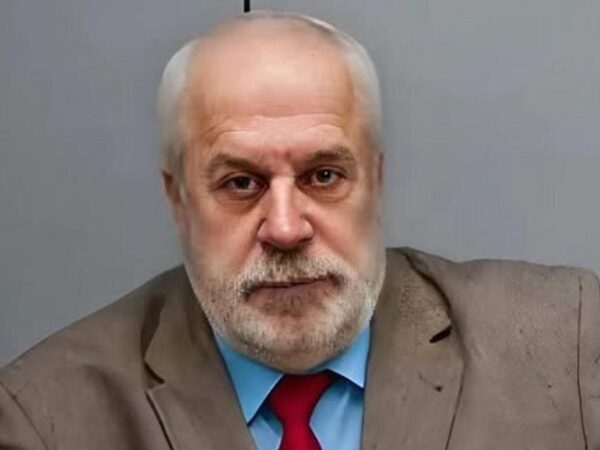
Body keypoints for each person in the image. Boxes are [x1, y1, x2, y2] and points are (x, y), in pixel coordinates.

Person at [1, 11, 599, 450]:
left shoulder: (566, 343)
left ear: (375, 183)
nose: (286, 229)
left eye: (323, 175)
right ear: (178, 201)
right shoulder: (45, 418)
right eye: (241, 183)